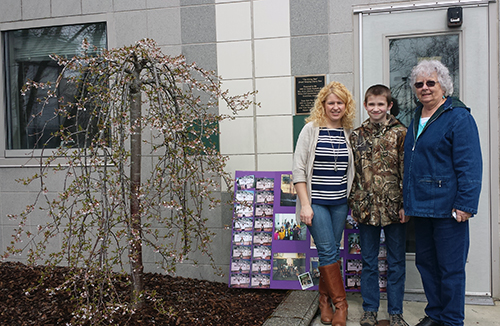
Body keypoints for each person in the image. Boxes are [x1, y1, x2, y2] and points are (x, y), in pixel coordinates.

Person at [403, 60, 482, 326]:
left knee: (451, 269)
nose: (424, 88)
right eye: (419, 84)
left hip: (449, 209)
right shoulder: (415, 118)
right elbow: (410, 165)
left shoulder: (459, 117)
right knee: (426, 264)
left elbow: (470, 164)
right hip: (422, 207)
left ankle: (451, 320)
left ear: (443, 86)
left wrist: (466, 204)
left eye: (430, 83)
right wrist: (407, 202)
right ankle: (435, 314)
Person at [293, 81, 355, 326]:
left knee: (330, 253)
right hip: (316, 203)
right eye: (331, 102)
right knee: (328, 250)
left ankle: (323, 301)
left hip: (339, 203)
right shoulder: (310, 129)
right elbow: (298, 169)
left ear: (346, 105)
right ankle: (342, 305)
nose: (336, 107)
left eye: (340, 102)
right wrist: (305, 205)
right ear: (323, 105)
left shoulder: (349, 132)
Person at [348, 84, 409, 326]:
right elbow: (352, 172)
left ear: (389, 106)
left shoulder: (401, 133)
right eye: (371, 104)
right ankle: (370, 310)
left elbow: (407, 171)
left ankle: (395, 312)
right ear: (365, 105)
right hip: (366, 209)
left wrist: (407, 205)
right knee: (369, 262)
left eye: (380, 104)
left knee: (396, 262)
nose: (376, 108)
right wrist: (353, 201)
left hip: (395, 208)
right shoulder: (357, 135)